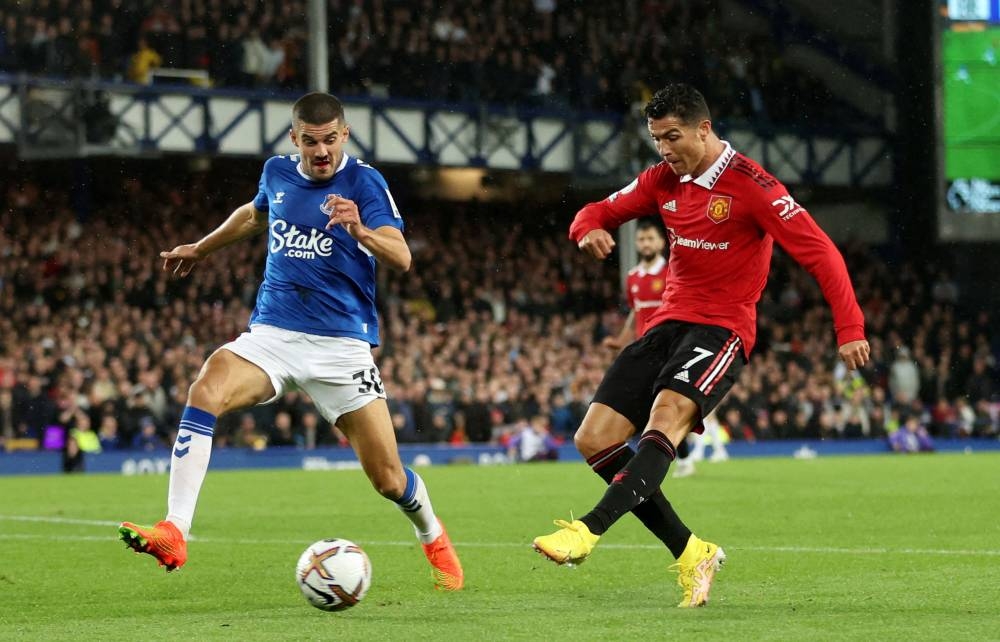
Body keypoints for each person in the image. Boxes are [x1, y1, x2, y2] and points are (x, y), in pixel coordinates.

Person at [532, 83, 869, 607]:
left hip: (722, 329)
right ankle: (693, 553)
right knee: (593, 438)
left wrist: (849, 328)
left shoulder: (753, 185)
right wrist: (586, 231)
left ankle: (588, 530)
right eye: (656, 139)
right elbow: (595, 210)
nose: (664, 149)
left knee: (665, 416)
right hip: (666, 325)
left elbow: (821, 253)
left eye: (672, 137)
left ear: (703, 129)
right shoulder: (662, 179)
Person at [119, 92, 464, 591]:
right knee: (206, 388)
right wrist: (202, 248)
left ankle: (433, 537)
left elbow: (402, 256)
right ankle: (175, 530)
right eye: (310, 141)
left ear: (344, 135)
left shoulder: (365, 182)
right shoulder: (277, 172)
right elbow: (253, 215)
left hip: (341, 347)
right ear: (294, 138)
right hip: (273, 336)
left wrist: (360, 229)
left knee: (388, 479)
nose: (321, 151)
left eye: (330, 140)